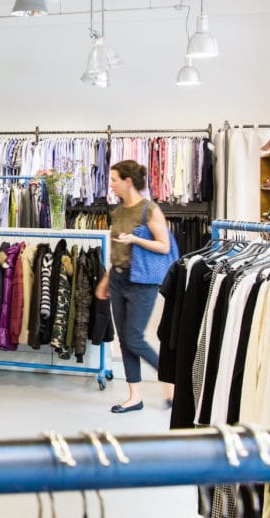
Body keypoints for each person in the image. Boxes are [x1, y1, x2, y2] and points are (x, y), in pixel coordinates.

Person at [95, 160, 173, 413]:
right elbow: (117, 251)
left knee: (134, 337)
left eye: (115, 179)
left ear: (128, 181)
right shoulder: (117, 212)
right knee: (125, 340)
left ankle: (172, 379)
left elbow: (164, 247)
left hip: (142, 281)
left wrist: (137, 239)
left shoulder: (149, 210)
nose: (112, 184)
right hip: (118, 279)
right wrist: (106, 280)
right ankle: (134, 396)